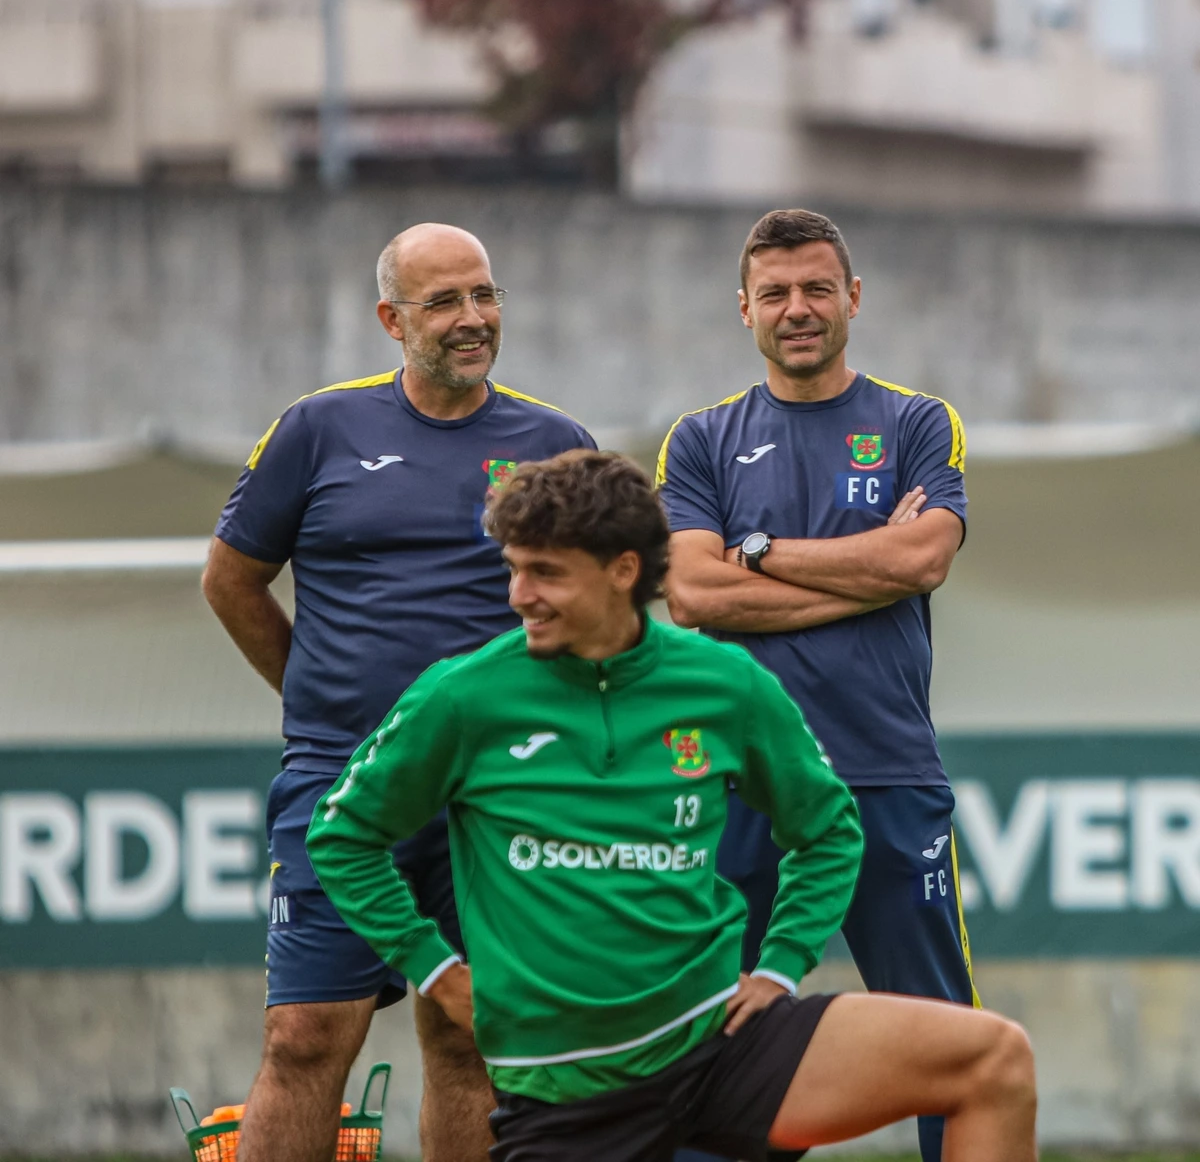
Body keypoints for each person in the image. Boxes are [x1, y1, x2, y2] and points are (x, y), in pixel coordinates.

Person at [305, 450, 1037, 1162]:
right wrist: (432, 968)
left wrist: (780, 965)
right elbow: (343, 835)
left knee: (991, 1057)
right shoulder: (460, 696)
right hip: (569, 1096)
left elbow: (828, 829)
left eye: (545, 573)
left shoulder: (723, 682)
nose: (518, 595)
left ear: (623, 571)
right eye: (515, 569)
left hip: (716, 1043)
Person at [201, 223, 595, 1162]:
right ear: (390, 319)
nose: (474, 320)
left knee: (471, 1041)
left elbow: (599, 609)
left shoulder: (555, 444)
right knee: (304, 1038)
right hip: (347, 789)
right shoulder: (316, 428)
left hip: (500, 795)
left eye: (486, 296)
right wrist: (320, 704)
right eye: (445, 302)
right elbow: (230, 579)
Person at [657, 207, 974, 1162]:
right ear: (744, 310)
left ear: (854, 299)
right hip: (740, 783)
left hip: (886, 774)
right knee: (723, 1032)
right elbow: (692, 595)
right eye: (776, 294)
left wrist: (759, 556)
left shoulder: (918, 420)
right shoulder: (703, 439)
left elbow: (923, 559)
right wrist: (864, 573)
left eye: (817, 289)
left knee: (941, 1036)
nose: (798, 309)